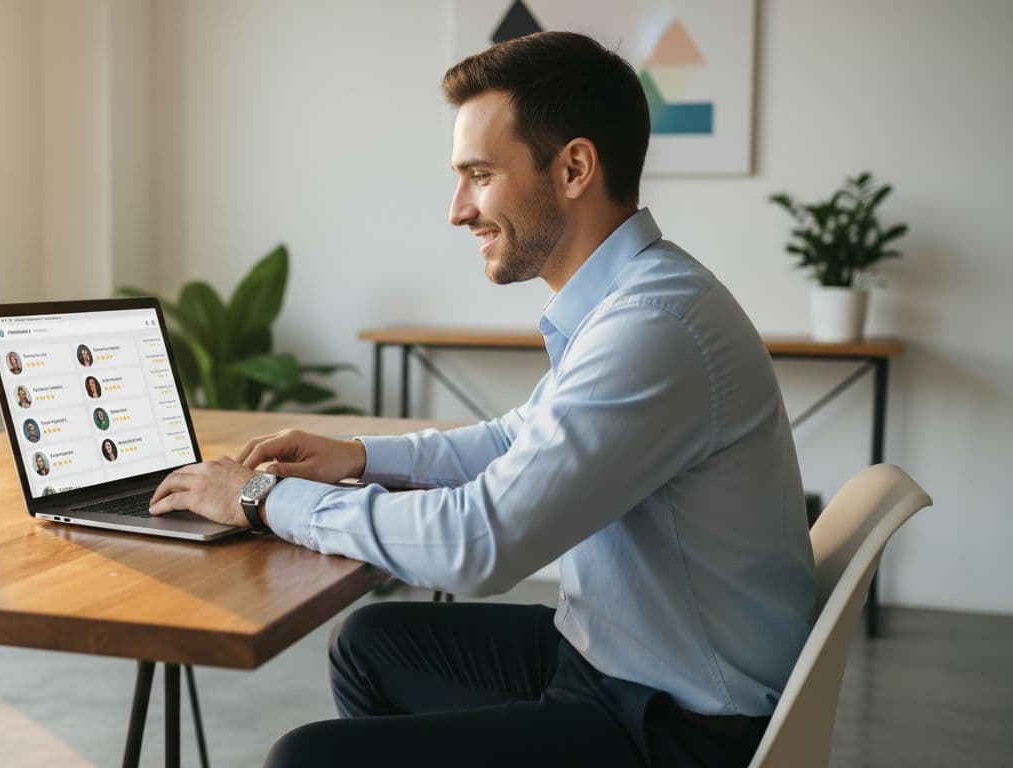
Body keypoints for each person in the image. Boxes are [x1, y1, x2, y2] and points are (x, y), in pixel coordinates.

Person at [148, 31, 814, 768]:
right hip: (622, 662)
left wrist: (260, 499)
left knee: (306, 759)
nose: (458, 210)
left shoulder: (655, 327)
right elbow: (511, 442)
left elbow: (480, 545)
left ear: (574, 168)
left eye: (480, 175)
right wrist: (356, 457)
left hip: (674, 726)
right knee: (373, 646)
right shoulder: (636, 299)